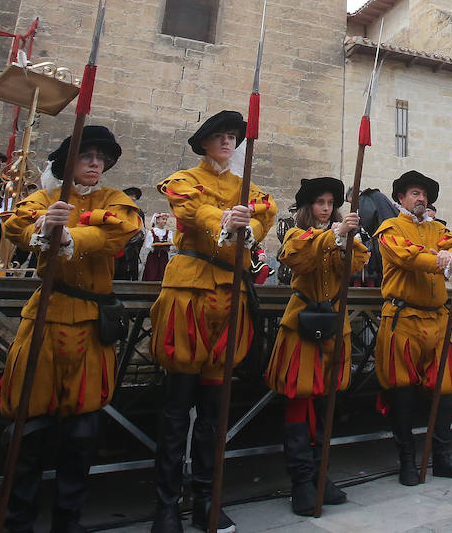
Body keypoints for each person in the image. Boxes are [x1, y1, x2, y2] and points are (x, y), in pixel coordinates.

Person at [0, 125, 141, 533]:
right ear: (68, 163)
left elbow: (121, 231)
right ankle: (17, 520)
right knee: (28, 427)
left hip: (91, 323)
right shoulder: (43, 198)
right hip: (45, 315)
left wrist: (70, 236)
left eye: (101, 157)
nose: (95, 163)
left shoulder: (115, 200)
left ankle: (68, 520)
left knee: (82, 432)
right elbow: (16, 226)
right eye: (87, 156)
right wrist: (43, 229)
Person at [149, 110, 277, 533]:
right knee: (174, 412)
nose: (227, 142)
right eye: (220, 136)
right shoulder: (185, 178)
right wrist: (224, 218)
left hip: (229, 299)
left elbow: (264, 213)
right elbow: (191, 210)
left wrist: (250, 225)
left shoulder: (249, 188)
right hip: (188, 296)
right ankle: (166, 506)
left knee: (212, 414)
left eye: (232, 137)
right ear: (204, 143)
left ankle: (206, 498)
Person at [263, 177, 366, 516]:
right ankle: (301, 482)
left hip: (334, 325)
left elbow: (356, 266)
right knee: (299, 401)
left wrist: (347, 240)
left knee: (325, 403)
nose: (324, 208)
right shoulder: (295, 234)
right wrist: (333, 236)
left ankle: (320, 475)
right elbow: (298, 258)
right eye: (319, 203)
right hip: (302, 325)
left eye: (329, 203)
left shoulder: (340, 237)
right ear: (308, 208)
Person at [373, 170, 452, 486]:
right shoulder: (389, 229)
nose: (421, 199)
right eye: (415, 193)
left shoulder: (438, 229)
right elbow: (406, 256)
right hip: (403, 322)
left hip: (437, 320)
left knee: (445, 394)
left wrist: (447, 253)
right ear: (401, 198)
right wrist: (441, 259)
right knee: (401, 396)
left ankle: (442, 459)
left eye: (424, 194)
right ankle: (407, 461)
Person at [115, 188, 145, 281]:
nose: (133, 198)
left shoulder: (138, 212)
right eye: (131, 195)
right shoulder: (116, 209)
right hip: (117, 245)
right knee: (116, 269)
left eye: (135, 196)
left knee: (130, 270)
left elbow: (142, 229)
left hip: (131, 247)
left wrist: (139, 237)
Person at [140, 213, 174, 281]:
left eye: (166, 220)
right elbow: (148, 245)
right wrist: (155, 247)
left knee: (163, 271)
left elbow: (172, 245)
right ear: (157, 220)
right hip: (153, 256)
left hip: (163, 256)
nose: (165, 221)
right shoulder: (151, 232)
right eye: (163, 219)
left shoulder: (168, 232)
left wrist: (167, 247)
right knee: (152, 271)